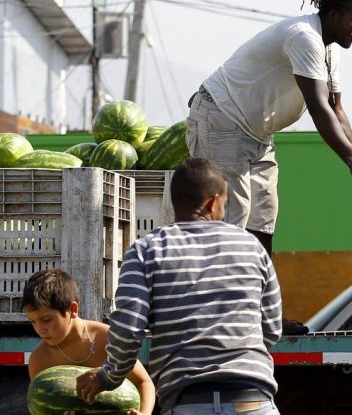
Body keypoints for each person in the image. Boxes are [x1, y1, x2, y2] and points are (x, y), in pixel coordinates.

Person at [185, 0, 352, 260]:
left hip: (258, 134)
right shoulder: (304, 37)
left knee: (262, 220)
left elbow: (336, 110)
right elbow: (318, 107)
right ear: (335, 13)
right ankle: (224, 298)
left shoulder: (330, 50)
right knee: (231, 219)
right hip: (222, 118)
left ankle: (256, 297)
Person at [75, 157, 283, 415]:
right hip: (253, 400)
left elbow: (128, 329)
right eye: (225, 204)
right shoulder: (252, 247)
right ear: (212, 201)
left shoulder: (147, 250)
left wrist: (109, 377)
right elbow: (272, 329)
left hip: (187, 401)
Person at [21, 268, 155, 415]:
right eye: (33, 321)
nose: (40, 329)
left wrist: (145, 413)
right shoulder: (40, 360)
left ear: (72, 309)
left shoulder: (106, 338)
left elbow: (144, 383)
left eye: (46, 320)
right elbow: (40, 405)